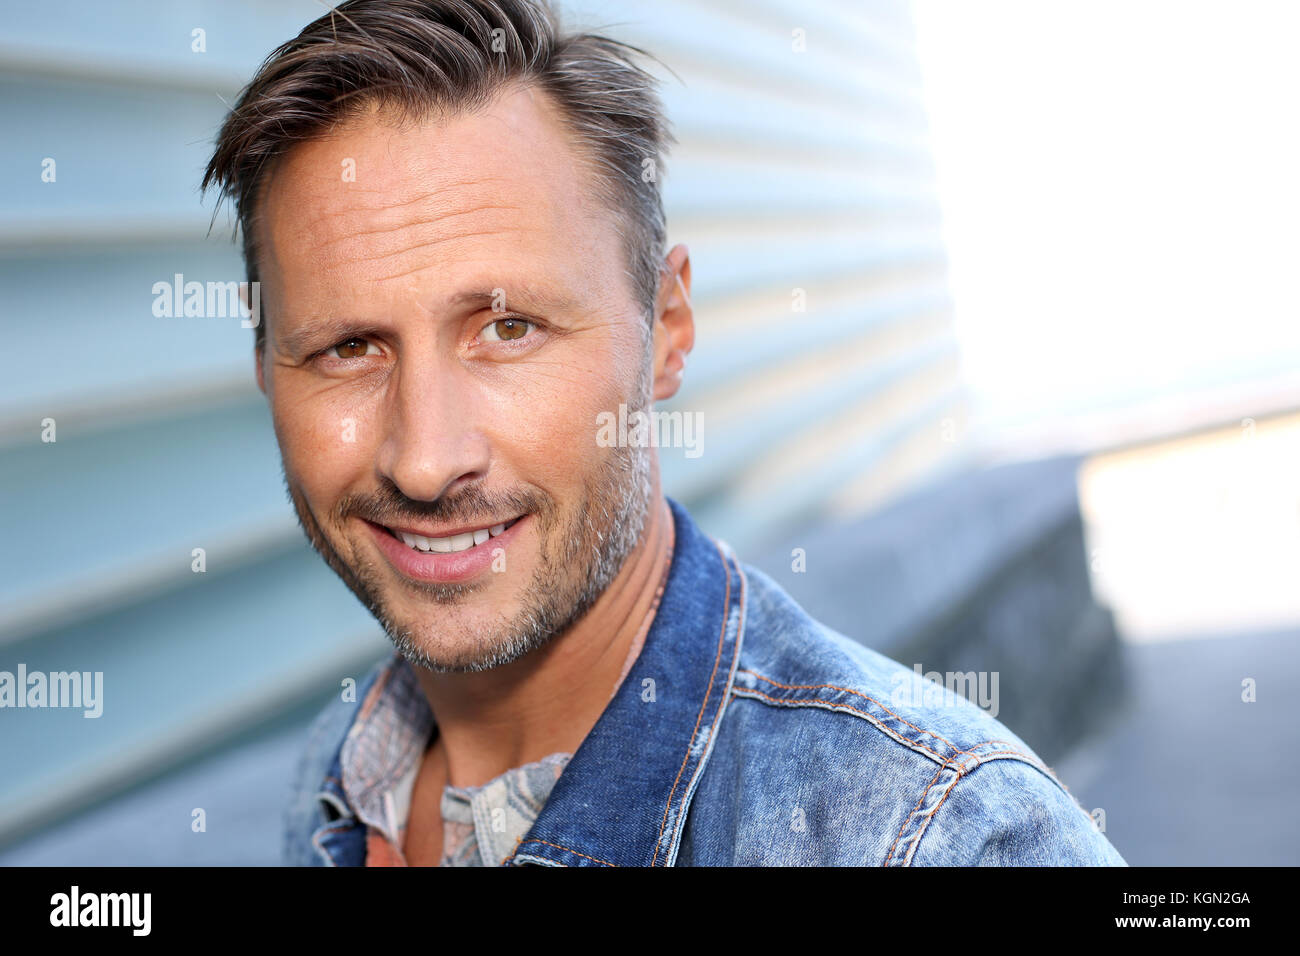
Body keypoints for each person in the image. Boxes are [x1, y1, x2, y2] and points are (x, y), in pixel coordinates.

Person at [202, 0, 1126, 866]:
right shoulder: (347, 770)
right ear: (264, 372)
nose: (427, 458)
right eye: (347, 348)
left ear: (668, 329)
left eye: (508, 329)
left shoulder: (937, 836)